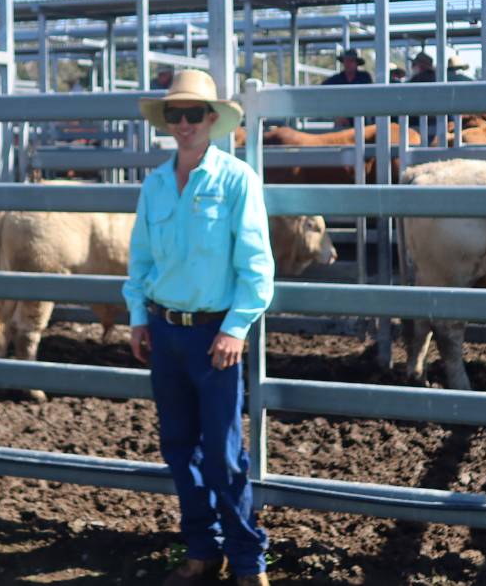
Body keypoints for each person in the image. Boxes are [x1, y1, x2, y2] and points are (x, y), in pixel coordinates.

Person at [124, 69, 274, 586]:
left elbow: (257, 267)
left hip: (215, 338)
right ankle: (202, 549)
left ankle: (248, 560)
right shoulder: (157, 183)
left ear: (213, 119)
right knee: (178, 445)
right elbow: (140, 259)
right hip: (165, 333)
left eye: (193, 114)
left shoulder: (236, 180)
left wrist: (236, 329)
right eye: (175, 114)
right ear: (167, 121)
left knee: (224, 454)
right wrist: (139, 317)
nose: (184, 123)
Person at [323, 49, 374, 127]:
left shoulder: (364, 77)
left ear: (357, 63)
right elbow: (322, 90)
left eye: (351, 61)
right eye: (346, 60)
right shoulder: (337, 78)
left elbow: (370, 98)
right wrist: (337, 113)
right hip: (342, 117)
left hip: (361, 115)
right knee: (339, 124)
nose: (348, 63)